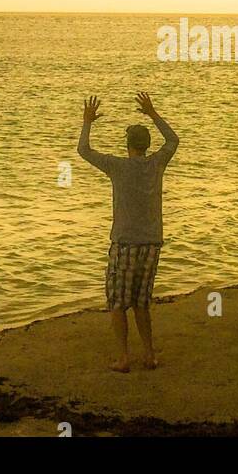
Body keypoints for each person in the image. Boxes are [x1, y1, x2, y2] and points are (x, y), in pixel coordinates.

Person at [77, 91, 179, 372]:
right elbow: (173, 140)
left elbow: (84, 151)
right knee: (142, 302)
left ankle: (123, 358)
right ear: (146, 145)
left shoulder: (117, 166)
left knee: (118, 302)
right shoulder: (156, 164)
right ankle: (149, 355)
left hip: (125, 244)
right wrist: (153, 112)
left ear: (127, 145)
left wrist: (87, 122)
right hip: (151, 244)